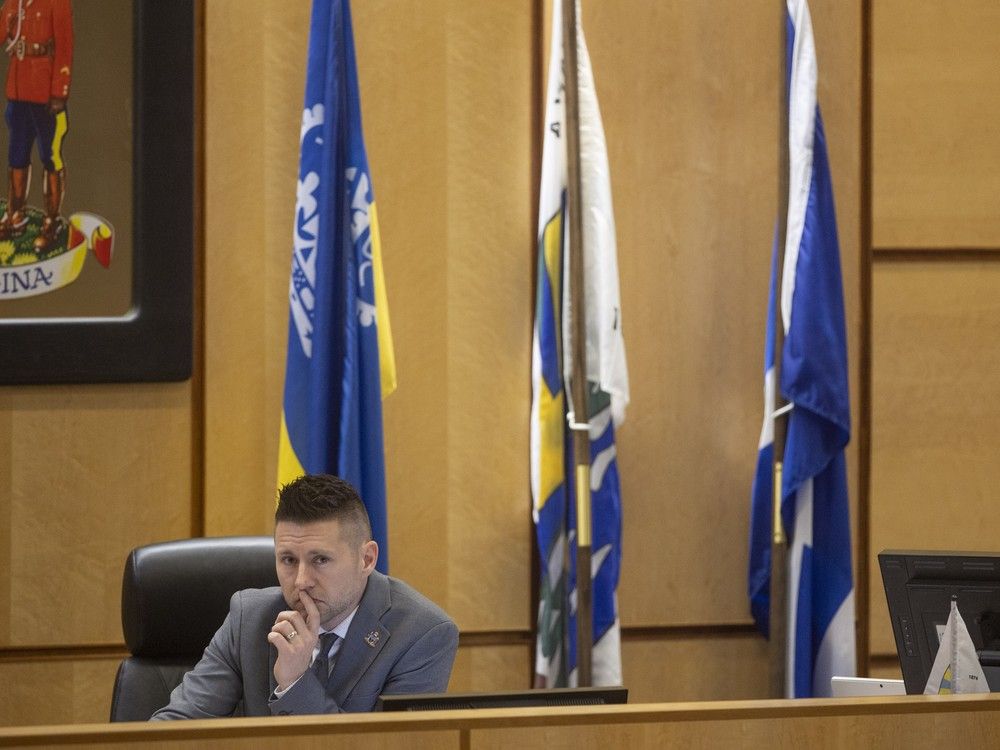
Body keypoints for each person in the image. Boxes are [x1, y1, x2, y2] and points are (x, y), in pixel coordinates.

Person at [150, 474, 459, 718]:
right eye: (288, 560)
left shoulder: (422, 634)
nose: (301, 581)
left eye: (320, 560)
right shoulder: (248, 618)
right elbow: (175, 728)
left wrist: (296, 683)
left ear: (366, 559)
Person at [0, 0, 73, 251]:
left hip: (45, 95)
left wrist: (59, 93)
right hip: (18, 92)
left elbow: (65, 45)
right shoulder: (13, 2)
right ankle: (15, 216)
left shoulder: (57, 2)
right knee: (17, 156)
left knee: (49, 156)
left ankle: (51, 222)